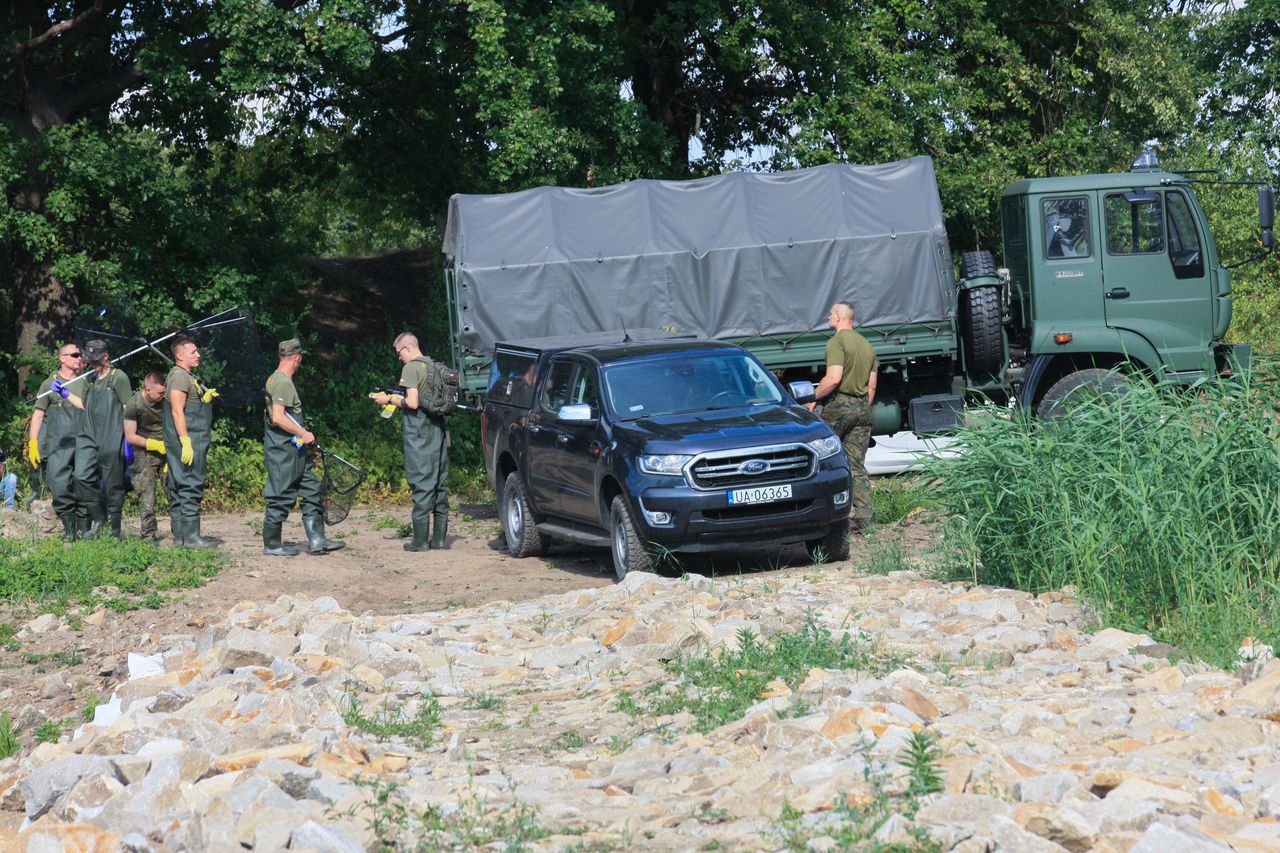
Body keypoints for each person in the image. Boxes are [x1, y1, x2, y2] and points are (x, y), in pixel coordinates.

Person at [261, 339, 345, 557]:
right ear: (297, 358)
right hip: (283, 452)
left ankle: (317, 540)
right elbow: (278, 417)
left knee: (311, 489)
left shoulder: (279, 379)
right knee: (280, 495)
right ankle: (271, 544)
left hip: (295, 452)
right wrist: (303, 433)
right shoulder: (282, 382)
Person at [371, 332, 449, 551]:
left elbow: (413, 402)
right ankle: (440, 540)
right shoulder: (433, 366)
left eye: (399, 353)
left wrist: (389, 399)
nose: (399, 358)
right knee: (439, 484)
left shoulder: (411, 368)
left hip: (420, 434)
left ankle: (420, 541)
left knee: (422, 481)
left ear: (406, 348)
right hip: (439, 433)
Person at [809, 301, 878, 532]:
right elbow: (872, 388)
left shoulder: (836, 342)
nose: (828, 317)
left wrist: (812, 398)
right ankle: (865, 520)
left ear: (839, 317)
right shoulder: (867, 346)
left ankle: (825, 516)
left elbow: (834, 378)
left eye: (830, 314)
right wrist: (860, 408)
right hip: (862, 407)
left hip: (839, 406)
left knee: (821, 459)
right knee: (856, 465)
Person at [27, 343, 91, 540]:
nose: (78, 358)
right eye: (73, 355)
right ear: (62, 358)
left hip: (84, 442)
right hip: (58, 445)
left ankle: (84, 529)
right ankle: (69, 529)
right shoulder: (49, 384)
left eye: (80, 355)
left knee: (83, 483)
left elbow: (92, 410)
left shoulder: (86, 382)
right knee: (59, 485)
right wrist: (33, 444)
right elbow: (38, 415)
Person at [163, 334, 220, 548]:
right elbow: (177, 411)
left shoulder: (187, 376)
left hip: (191, 438)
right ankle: (192, 539)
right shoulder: (179, 377)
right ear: (179, 355)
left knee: (179, 485)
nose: (198, 355)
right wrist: (185, 441)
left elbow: (187, 406)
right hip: (188, 440)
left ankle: (181, 538)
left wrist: (204, 400)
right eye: (193, 351)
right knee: (190, 484)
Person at [78, 339, 132, 539]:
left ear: (106, 357)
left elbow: (128, 409)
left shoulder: (119, 378)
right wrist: (64, 393)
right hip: (89, 436)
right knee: (81, 476)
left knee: (113, 485)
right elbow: (84, 405)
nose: (91, 364)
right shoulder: (90, 379)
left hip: (112, 436)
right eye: (89, 360)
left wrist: (129, 440)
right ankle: (99, 517)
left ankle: (115, 531)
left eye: (95, 360)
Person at [124, 372, 170, 541]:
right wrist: (154, 444)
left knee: (174, 490)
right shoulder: (134, 404)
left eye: (163, 393)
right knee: (146, 494)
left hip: (167, 451)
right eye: (159, 393)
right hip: (143, 453)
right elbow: (130, 435)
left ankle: (180, 531)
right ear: (148, 389)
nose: (162, 396)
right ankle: (149, 534)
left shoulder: (165, 401)